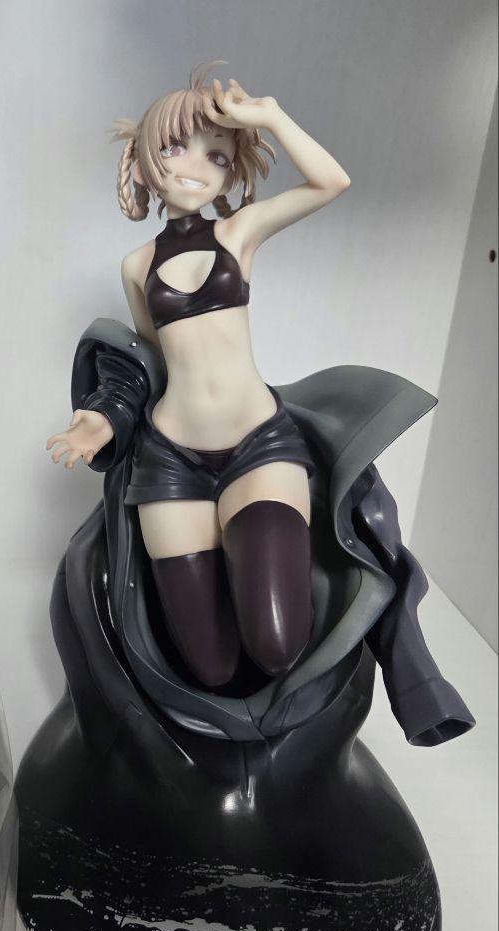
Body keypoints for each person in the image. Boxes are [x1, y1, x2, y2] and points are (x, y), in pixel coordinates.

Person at [46, 62, 349, 690]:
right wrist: (102, 418)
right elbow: (151, 365)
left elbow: (331, 181)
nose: (194, 166)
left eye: (217, 155)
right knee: (209, 667)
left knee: (276, 643)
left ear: (230, 174)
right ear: (142, 162)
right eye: (174, 148)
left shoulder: (238, 233)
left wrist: (268, 117)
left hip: (257, 448)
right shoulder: (137, 265)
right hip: (171, 462)